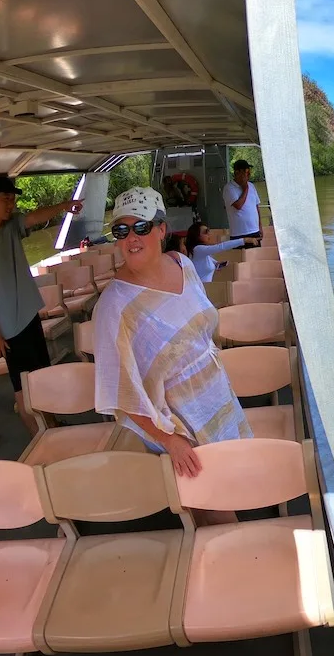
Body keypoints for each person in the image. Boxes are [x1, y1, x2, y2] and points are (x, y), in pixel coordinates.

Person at [93, 186, 251, 479]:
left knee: (237, 477)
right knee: (212, 503)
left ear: (161, 229)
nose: (132, 238)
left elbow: (199, 331)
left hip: (216, 394)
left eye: (141, 226)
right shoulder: (113, 308)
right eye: (121, 231)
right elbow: (120, 389)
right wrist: (169, 440)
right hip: (177, 423)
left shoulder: (184, 264)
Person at [0, 174, 83, 435]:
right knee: (25, 391)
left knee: (42, 377)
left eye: (13, 199)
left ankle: (53, 426)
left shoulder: (10, 226)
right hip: (9, 328)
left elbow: (35, 216)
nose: (11, 205)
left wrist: (65, 206)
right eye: (6, 199)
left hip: (28, 316)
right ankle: (41, 437)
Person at [163, 223, 260, 283]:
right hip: (207, 290)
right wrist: (244, 240)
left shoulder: (197, 252)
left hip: (210, 286)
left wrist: (215, 264)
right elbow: (221, 247)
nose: (209, 233)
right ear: (197, 236)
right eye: (205, 232)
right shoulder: (197, 250)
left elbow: (207, 261)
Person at [222, 159, 262, 242]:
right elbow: (238, 205)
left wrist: (260, 226)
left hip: (255, 230)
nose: (249, 174)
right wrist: (245, 189)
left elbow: (256, 207)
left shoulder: (251, 186)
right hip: (239, 233)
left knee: (256, 254)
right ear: (237, 172)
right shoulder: (229, 188)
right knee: (242, 255)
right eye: (246, 172)